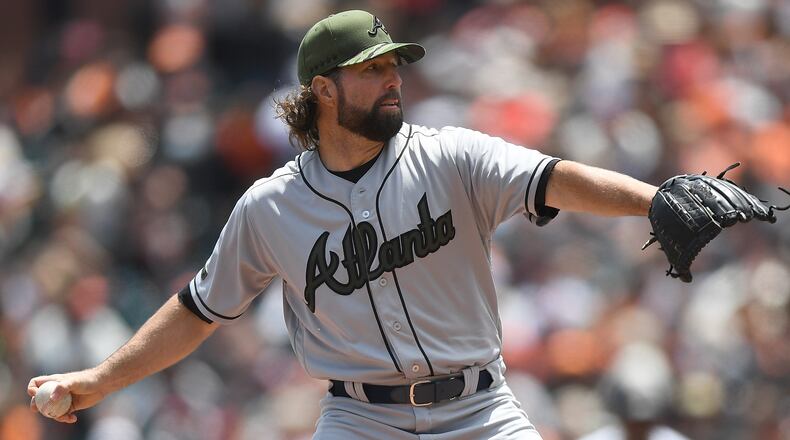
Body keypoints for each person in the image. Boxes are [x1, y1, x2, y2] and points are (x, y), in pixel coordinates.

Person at [28, 10, 658, 439]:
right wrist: (99, 379)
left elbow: (554, 177)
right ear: (324, 91)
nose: (393, 81)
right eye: (372, 70)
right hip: (362, 421)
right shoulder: (271, 206)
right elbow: (199, 310)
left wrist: (653, 201)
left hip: (480, 409)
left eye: (394, 67)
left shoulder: (450, 155)